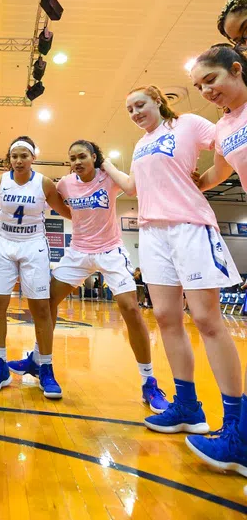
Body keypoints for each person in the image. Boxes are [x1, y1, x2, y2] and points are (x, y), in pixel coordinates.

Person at [103, 84, 242, 438]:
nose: (134, 113)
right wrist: (104, 163)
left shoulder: (189, 123)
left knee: (207, 319)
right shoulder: (139, 144)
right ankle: (187, 407)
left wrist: (212, 177)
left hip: (190, 226)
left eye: (140, 104)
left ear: (158, 101)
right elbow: (133, 186)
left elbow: (227, 140)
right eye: (129, 109)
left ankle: (237, 422)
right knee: (165, 317)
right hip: (152, 232)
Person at [8, 139, 167, 413]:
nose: (77, 162)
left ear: (94, 157)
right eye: (72, 158)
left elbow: (132, 186)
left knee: (130, 308)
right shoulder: (65, 184)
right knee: (46, 303)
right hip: (78, 252)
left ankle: (148, 381)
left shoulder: (109, 178)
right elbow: (57, 205)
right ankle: (37, 359)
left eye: (82, 156)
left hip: (111, 250)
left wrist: (106, 163)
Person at [188, 44, 247, 477]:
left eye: (211, 80)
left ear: (236, 69)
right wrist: (186, 183)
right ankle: (239, 437)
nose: (206, 90)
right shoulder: (226, 126)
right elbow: (219, 173)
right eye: (199, 86)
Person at [0, 136, 72, 399]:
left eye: (23, 156)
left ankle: (45, 367)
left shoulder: (44, 183)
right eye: (14, 156)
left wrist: (93, 219)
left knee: (40, 307)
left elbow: (65, 211)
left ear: (32, 158)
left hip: (34, 246)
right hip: (5, 244)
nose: (18, 160)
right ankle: (0, 366)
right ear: (10, 159)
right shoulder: (0, 182)